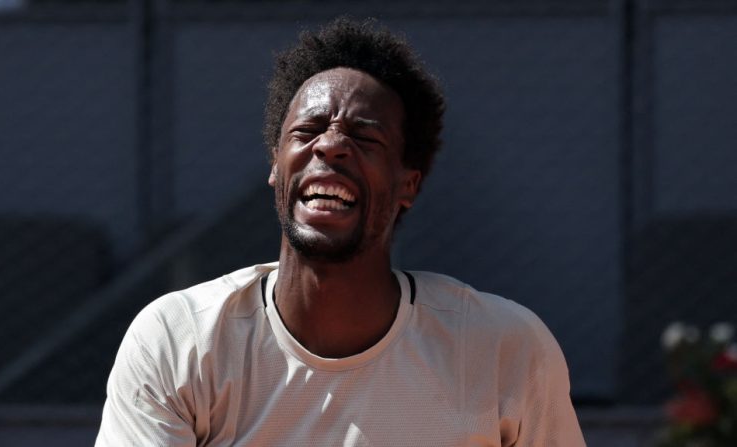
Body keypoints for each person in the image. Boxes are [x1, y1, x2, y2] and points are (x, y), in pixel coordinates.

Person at [96, 17, 586, 446]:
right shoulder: (179, 339)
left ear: (407, 185)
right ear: (275, 167)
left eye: (365, 137)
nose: (330, 146)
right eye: (306, 133)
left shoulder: (503, 348)